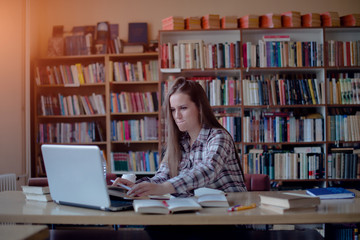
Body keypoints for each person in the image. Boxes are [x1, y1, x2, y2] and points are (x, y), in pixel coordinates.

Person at [112, 77, 247, 197]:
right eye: (173, 110)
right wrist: (137, 186)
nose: (177, 116)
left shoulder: (219, 137)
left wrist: (164, 188)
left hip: (228, 215)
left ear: (200, 108)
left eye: (183, 108)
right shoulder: (180, 142)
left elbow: (208, 169)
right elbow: (162, 177)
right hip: (199, 213)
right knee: (152, 225)